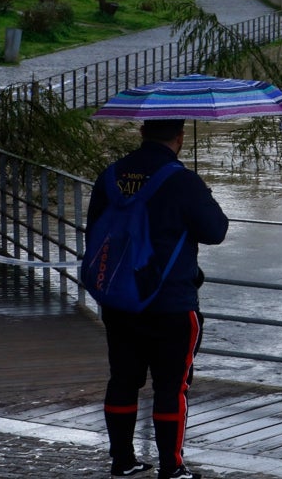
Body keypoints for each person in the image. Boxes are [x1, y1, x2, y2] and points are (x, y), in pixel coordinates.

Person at [87, 118, 229, 479]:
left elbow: (93, 232)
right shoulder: (182, 180)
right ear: (180, 138)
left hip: (120, 299)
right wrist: (197, 190)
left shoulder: (111, 175)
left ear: (142, 132)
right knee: (172, 387)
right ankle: (172, 468)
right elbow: (216, 231)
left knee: (122, 380)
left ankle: (123, 462)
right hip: (171, 303)